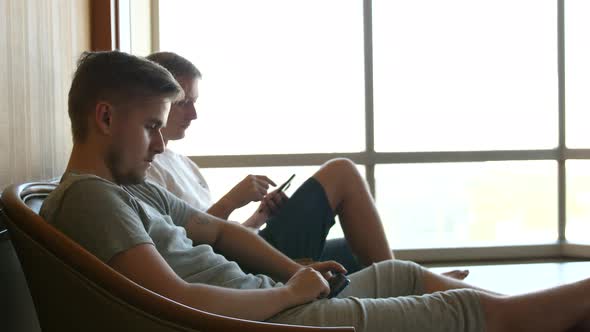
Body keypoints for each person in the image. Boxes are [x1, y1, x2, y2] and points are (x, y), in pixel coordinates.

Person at [41, 50, 590, 332]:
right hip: (270, 320)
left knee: (402, 275)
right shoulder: (91, 198)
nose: (161, 142)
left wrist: (289, 273)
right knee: (466, 310)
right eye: (152, 126)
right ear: (106, 117)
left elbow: (222, 230)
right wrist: (287, 295)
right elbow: (175, 300)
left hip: (271, 299)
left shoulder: (130, 191)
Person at [143, 51, 467, 278]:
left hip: (242, 251)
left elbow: (221, 236)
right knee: (341, 172)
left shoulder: (185, 164)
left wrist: (259, 216)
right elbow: (181, 246)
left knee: (355, 250)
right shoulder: (145, 167)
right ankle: (414, 288)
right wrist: (230, 201)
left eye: (194, 103)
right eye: (184, 103)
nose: (194, 114)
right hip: (237, 267)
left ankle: (413, 280)